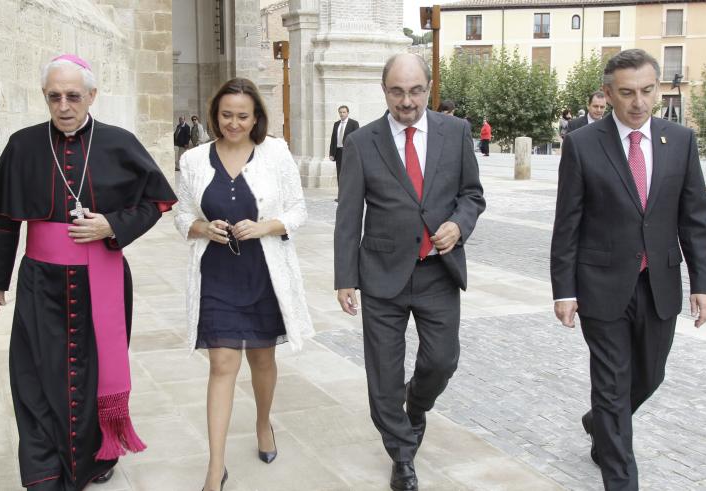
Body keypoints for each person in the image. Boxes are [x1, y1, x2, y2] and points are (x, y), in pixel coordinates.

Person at [0, 54, 177, 490]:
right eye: (54, 97)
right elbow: (7, 219)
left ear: (92, 95)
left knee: (91, 372)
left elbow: (156, 203)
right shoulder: (23, 144)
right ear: (45, 98)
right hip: (40, 281)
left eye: (73, 96)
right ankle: (43, 467)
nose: (64, 106)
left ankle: (92, 457)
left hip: (99, 278)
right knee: (33, 373)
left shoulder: (119, 142)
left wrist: (113, 225)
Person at [550, 49, 706, 491]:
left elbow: (694, 217)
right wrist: (563, 289)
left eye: (647, 91)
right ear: (608, 94)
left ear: (658, 89)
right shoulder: (584, 144)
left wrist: (704, 283)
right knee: (611, 384)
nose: (639, 102)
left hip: (658, 282)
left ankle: (600, 424)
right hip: (601, 285)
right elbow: (567, 222)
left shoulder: (679, 141)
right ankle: (621, 477)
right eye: (627, 93)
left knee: (650, 374)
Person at [334, 53, 485, 491]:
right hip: (381, 273)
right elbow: (349, 215)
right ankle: (402, 456)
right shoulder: (363, 143)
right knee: (382, 374)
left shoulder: (454, 132)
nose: (407, 100)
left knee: (441, 361)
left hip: (439, 273)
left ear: (428, 88)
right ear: (384, 91)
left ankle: (415, 405)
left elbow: (472, 195)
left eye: (416, 90)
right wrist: (346, 277)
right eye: (397, 91)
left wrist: (459, 224)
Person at [173, 77, 314, 491]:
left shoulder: (276, 153)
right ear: (215, 115)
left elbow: (298, 210)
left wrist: (266, 226)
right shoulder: (195, 159)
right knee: (221, 365)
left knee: (263, 361)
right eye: (226, 115)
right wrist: (201, 226)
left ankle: (263, 422)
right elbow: (182, 215)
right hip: (216, 273)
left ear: (256, 118)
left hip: (263, 274)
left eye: (242, 116)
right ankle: (215, 468)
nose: (233, 123)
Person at [329, 105, 360, 196]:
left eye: (344, 112)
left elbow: (357, 139)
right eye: (340, 112)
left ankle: (350, 195)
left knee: (349, 173)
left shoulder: (354, 123)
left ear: (347, 113)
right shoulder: (336, 124)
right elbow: (333, 139)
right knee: (340, 174)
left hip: (348, 152)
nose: (342, 114)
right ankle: (341, 195)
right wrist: (331, 153)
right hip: (338, 152)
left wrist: (355, 153)